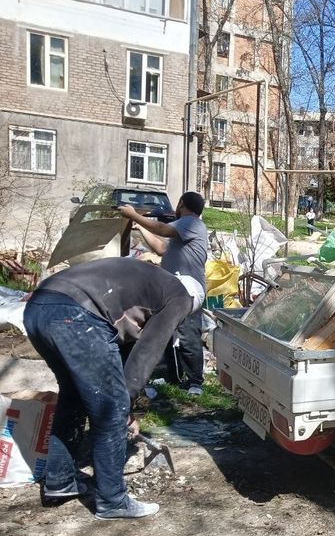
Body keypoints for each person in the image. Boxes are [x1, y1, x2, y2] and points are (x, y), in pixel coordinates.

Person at [23, 257, 204, 519]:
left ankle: (60, 481)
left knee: (73, 397)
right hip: (76, 315)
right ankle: (112, 501)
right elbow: (147, 351)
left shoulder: (149, 283)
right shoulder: (180, 296)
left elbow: (124, 350)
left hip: (38, 308)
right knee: (111, 409)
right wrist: (124, 407)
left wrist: (124, 400)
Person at [118, 192, 208, 396]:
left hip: (188, 289)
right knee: (166, 331)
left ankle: (195, 382)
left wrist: (134, 215)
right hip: (175, 290)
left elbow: (161, 229)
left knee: (187, 333)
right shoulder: (184, 230)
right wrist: (139, 226)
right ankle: (175, 377)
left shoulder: (191, 223)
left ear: (182, 203)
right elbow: (160, 248)